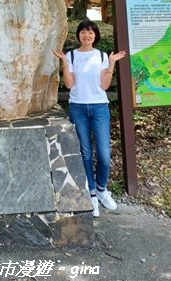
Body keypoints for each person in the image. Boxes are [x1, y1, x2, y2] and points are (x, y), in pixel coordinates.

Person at [53, 20, 126, 218]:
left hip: (99, 107)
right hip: (78, 107)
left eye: (91, 32)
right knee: (85, 151)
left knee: (104, 152)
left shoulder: (102, 55)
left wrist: (111, 64)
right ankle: (92, 192)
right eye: (84, 32)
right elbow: (69, 85)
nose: (87, 35)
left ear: (95, 36)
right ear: (78, 35)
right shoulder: (72, 55)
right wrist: (65, 64)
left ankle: (102, 189)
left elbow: (103, 85)